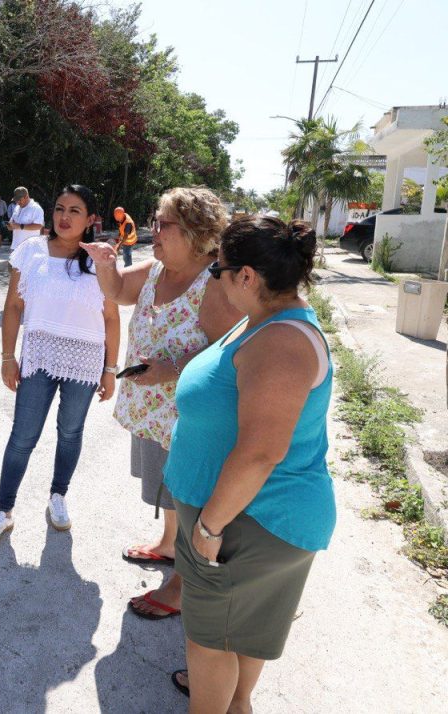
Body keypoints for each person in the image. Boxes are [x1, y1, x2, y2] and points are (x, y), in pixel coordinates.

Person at [162, 217, 336, 713]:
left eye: (218, 270)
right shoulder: (267, 318)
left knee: (211, 640)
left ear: (247, 277)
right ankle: (235, 702)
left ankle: (220, 703)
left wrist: (210, 528)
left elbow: (261, 452)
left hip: (248, 519)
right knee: (243, 631)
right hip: (246, 516)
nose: (213, 279)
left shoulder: (281, 342)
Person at [83, 187, 242, 620]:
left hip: (188, 417)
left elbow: (228, 350)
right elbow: (116, 291)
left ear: (194, 231)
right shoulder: (156, 270)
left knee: (189, 493)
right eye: (153, 220)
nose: (154, 230)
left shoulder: (213, 282)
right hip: (153, 411)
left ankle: (181, 584)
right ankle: (169, 545)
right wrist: (104, 264)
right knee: (167, 487)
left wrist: (170, 368)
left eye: (163, 223)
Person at [0, 185, 121, 548]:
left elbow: (111, 318)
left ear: (90, 219)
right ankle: (3, 510)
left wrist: (109, 368)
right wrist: (8, 358)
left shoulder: (101, 260)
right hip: (39, 356)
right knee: (22, 437)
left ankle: (58, 496)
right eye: (59, 208)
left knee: (70, 433)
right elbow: (13, 308)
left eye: (75, 210)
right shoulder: (30, 252)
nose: (64, 217)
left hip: (86, 361)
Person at [7, 186, 44, 252]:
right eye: (16, 200)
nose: (18, 202)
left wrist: (20, 226)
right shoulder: (17, 207)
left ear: (26, 196)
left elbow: (39, 226)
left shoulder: (36, 208)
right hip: (16, 247)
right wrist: (10, 226)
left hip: (30, 249)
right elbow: (12, 222)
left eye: (20, 200)